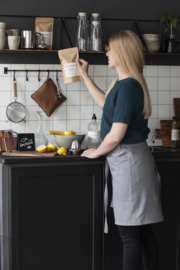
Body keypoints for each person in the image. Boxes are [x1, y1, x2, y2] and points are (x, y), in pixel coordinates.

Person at [76, 30, 164, 270]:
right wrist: (84, 75)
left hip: (130, 166)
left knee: (130, 236)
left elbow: (116, 135)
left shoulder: (128, 87)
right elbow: (106, 104)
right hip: (131, 163)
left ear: (122, 53)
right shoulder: (124, 85)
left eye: (110, 49)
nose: (107, 53)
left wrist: (96, 151)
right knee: (142, 232)